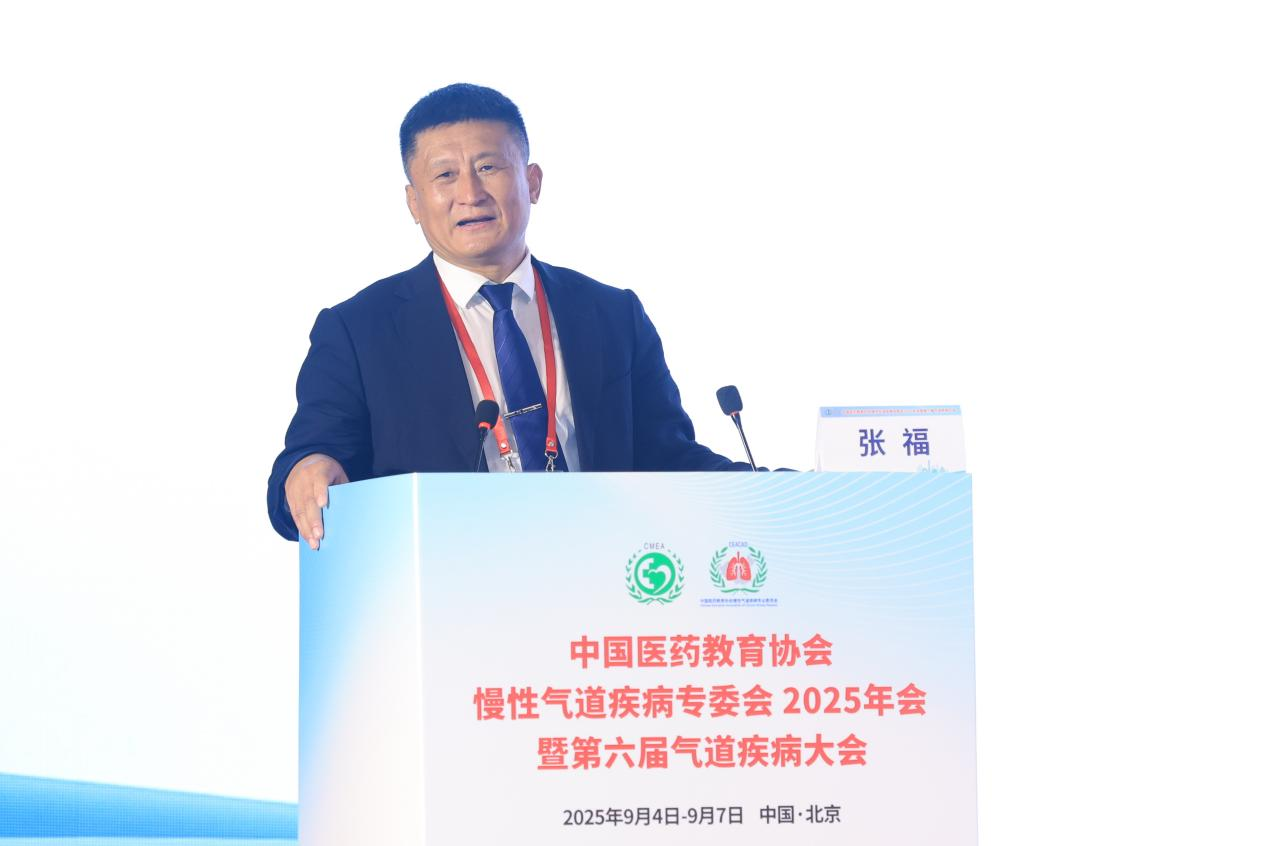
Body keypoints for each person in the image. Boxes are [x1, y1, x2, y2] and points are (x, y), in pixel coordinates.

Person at [268, 83, 748, 547]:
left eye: (488, 167)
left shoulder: (612, 315)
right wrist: (308, 469)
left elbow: (668, 459)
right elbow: (307, 462)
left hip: (601, 573)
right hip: (447, 583)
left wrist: (775, 489)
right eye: (444, 175)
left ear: (532, 182)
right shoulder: (359, 331)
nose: (470, 192)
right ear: (414, 202)